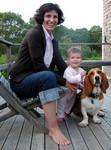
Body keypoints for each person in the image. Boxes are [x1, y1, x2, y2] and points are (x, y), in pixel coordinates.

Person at [9, 3, 76, 146]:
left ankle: (58, 110)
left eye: (55, 17)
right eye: (48, 16)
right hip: (20, 82)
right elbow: (40, 67)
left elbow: (61, 64)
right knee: (49, 76)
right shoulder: (35, 33)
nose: (52, 20)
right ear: (42, 17)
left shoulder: (52, 40)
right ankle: (53, 128)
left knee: (55, 74)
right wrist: (65, 82)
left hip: (35, 78)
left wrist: (76, 76)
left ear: (59, 20)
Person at [57, 47, 86, 121]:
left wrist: (83, 83)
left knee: (71, 103)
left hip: (73, 92)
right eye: (72, 57)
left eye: (78, 57)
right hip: (65, 91)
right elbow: (71, 80)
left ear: (81, 60)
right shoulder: (68, 70)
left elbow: (82, 81)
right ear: (68, 60)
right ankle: (60, 116)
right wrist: (80, 75)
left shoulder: (81, 70)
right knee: (62, 103)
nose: (75, 59)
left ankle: (67, 112)